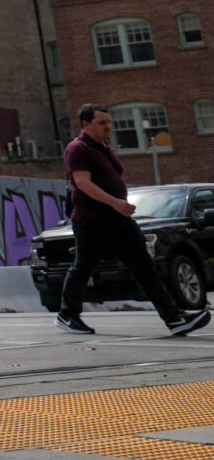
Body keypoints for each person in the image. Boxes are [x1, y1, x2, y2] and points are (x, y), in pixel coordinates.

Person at [59, 103, 210, 337]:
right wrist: (115, 202)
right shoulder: (78, 148)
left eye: (109, 122)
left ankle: (174, 319)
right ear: (86, 124)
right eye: (102, 123)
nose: (108, 127)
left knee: (143, 267)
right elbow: (83, 183)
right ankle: (68, 315)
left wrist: (119, 204)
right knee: (83, 267)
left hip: (118, 219)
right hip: (93, 220)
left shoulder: (104, 147)